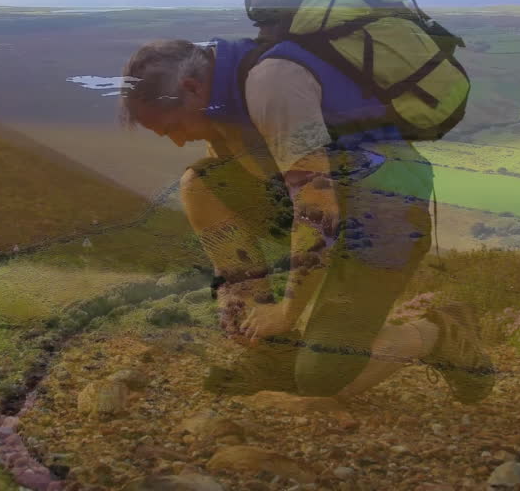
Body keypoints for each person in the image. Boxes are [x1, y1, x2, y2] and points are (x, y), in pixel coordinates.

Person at [119, 35, 494, 403]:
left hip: (385, 221)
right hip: (336, 207)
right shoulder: (219, 100)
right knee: (200, 184)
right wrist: (241, 302)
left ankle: (439, 331)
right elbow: (243, 188)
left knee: (321, 377)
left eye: (172, 127)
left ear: (191, 87)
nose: (178, 141)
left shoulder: (272, 85)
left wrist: (288, 311)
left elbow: (318, 212)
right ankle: (271, 352)